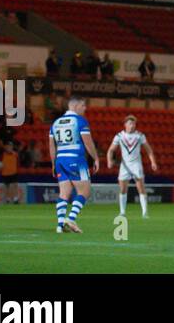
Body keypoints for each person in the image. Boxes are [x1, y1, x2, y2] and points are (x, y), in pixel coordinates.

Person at [49, 97, 100, 233]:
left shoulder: (56, 123)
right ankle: (71, 219)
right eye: (83, 105)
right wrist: (95, 158)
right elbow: (88, 143)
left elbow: (52, 146)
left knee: (64, 193)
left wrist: (53, 163)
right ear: (75, 106)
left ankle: (60, 225)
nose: (85, 108)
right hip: (76, 159)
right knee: (85, 191)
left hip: (60, 160)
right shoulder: (80, 121)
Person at [108, 115, 158, 219]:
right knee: (122, 189)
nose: (132, 126)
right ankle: (122, 212)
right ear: (125, 125)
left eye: (134, 124)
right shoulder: (119, 136)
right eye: (130, 123)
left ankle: (145, 213)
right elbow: (111, 150)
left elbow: (148, 150)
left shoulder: (140, 136)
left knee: (141, 188)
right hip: (125, 166)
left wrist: (153, 162)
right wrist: (109, 160)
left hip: (136, 165)